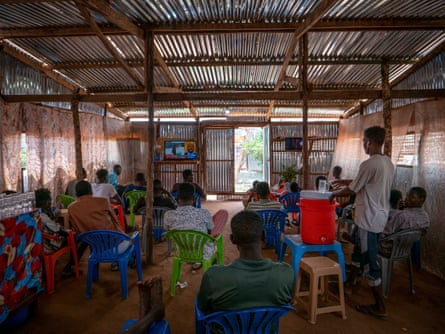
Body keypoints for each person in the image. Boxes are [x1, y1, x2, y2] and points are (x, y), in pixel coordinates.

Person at [330, 125, 394, 320]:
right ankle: (349, 285)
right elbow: (368, 182)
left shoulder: (368, 164)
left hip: (368, 218)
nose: (363, 145)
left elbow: (353, 189)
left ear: (370, 142)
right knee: (359, 250)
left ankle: (379, 306)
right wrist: (345, 181)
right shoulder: (387, 163)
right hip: (378, 215)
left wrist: (332, 193)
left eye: (364, 141)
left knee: (369, 260)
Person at [197, 210, 294, 313]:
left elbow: (202, 307)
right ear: (264, 236)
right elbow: (286, 302)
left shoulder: (213, 277)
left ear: (232, 239)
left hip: (226, 329)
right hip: (264, 328)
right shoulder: (286, 274)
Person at [65, 180, 125, 273]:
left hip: (92, 242)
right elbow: (115, 221)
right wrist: (123, 236)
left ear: (76, 193)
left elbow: (76, 229)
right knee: (131, 241)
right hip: (112, 241)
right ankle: (121, 260)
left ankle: (70, 266)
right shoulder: (103, 201)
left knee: (87, 235)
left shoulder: (71, 208)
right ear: (91, 191)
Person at [164, 182, 214, 269]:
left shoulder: (169, 215)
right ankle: (204, 262)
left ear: (178, 198)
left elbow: (167, 229)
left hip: (183, 251)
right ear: (194, 199)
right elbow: (210, 230)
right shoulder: (204, 213)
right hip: (202, 251)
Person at [379, 187, 430, 257]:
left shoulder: (401, 215)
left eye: (412, 197)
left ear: (421, 200)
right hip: (406, 249)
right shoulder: (425, 217)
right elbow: (422, 233)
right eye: (407, 195)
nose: (406, 198)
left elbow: (384, 234)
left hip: (388, 249)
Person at [35, 188, 68, 254]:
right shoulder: (43, 217)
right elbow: (57, 229)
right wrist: (66, 231)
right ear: (46, 202)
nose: (51, 202)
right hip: (49, 246)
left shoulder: (37, 212)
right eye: (50, 199)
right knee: (74, 238)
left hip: (43, 242)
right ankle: (72, 262)